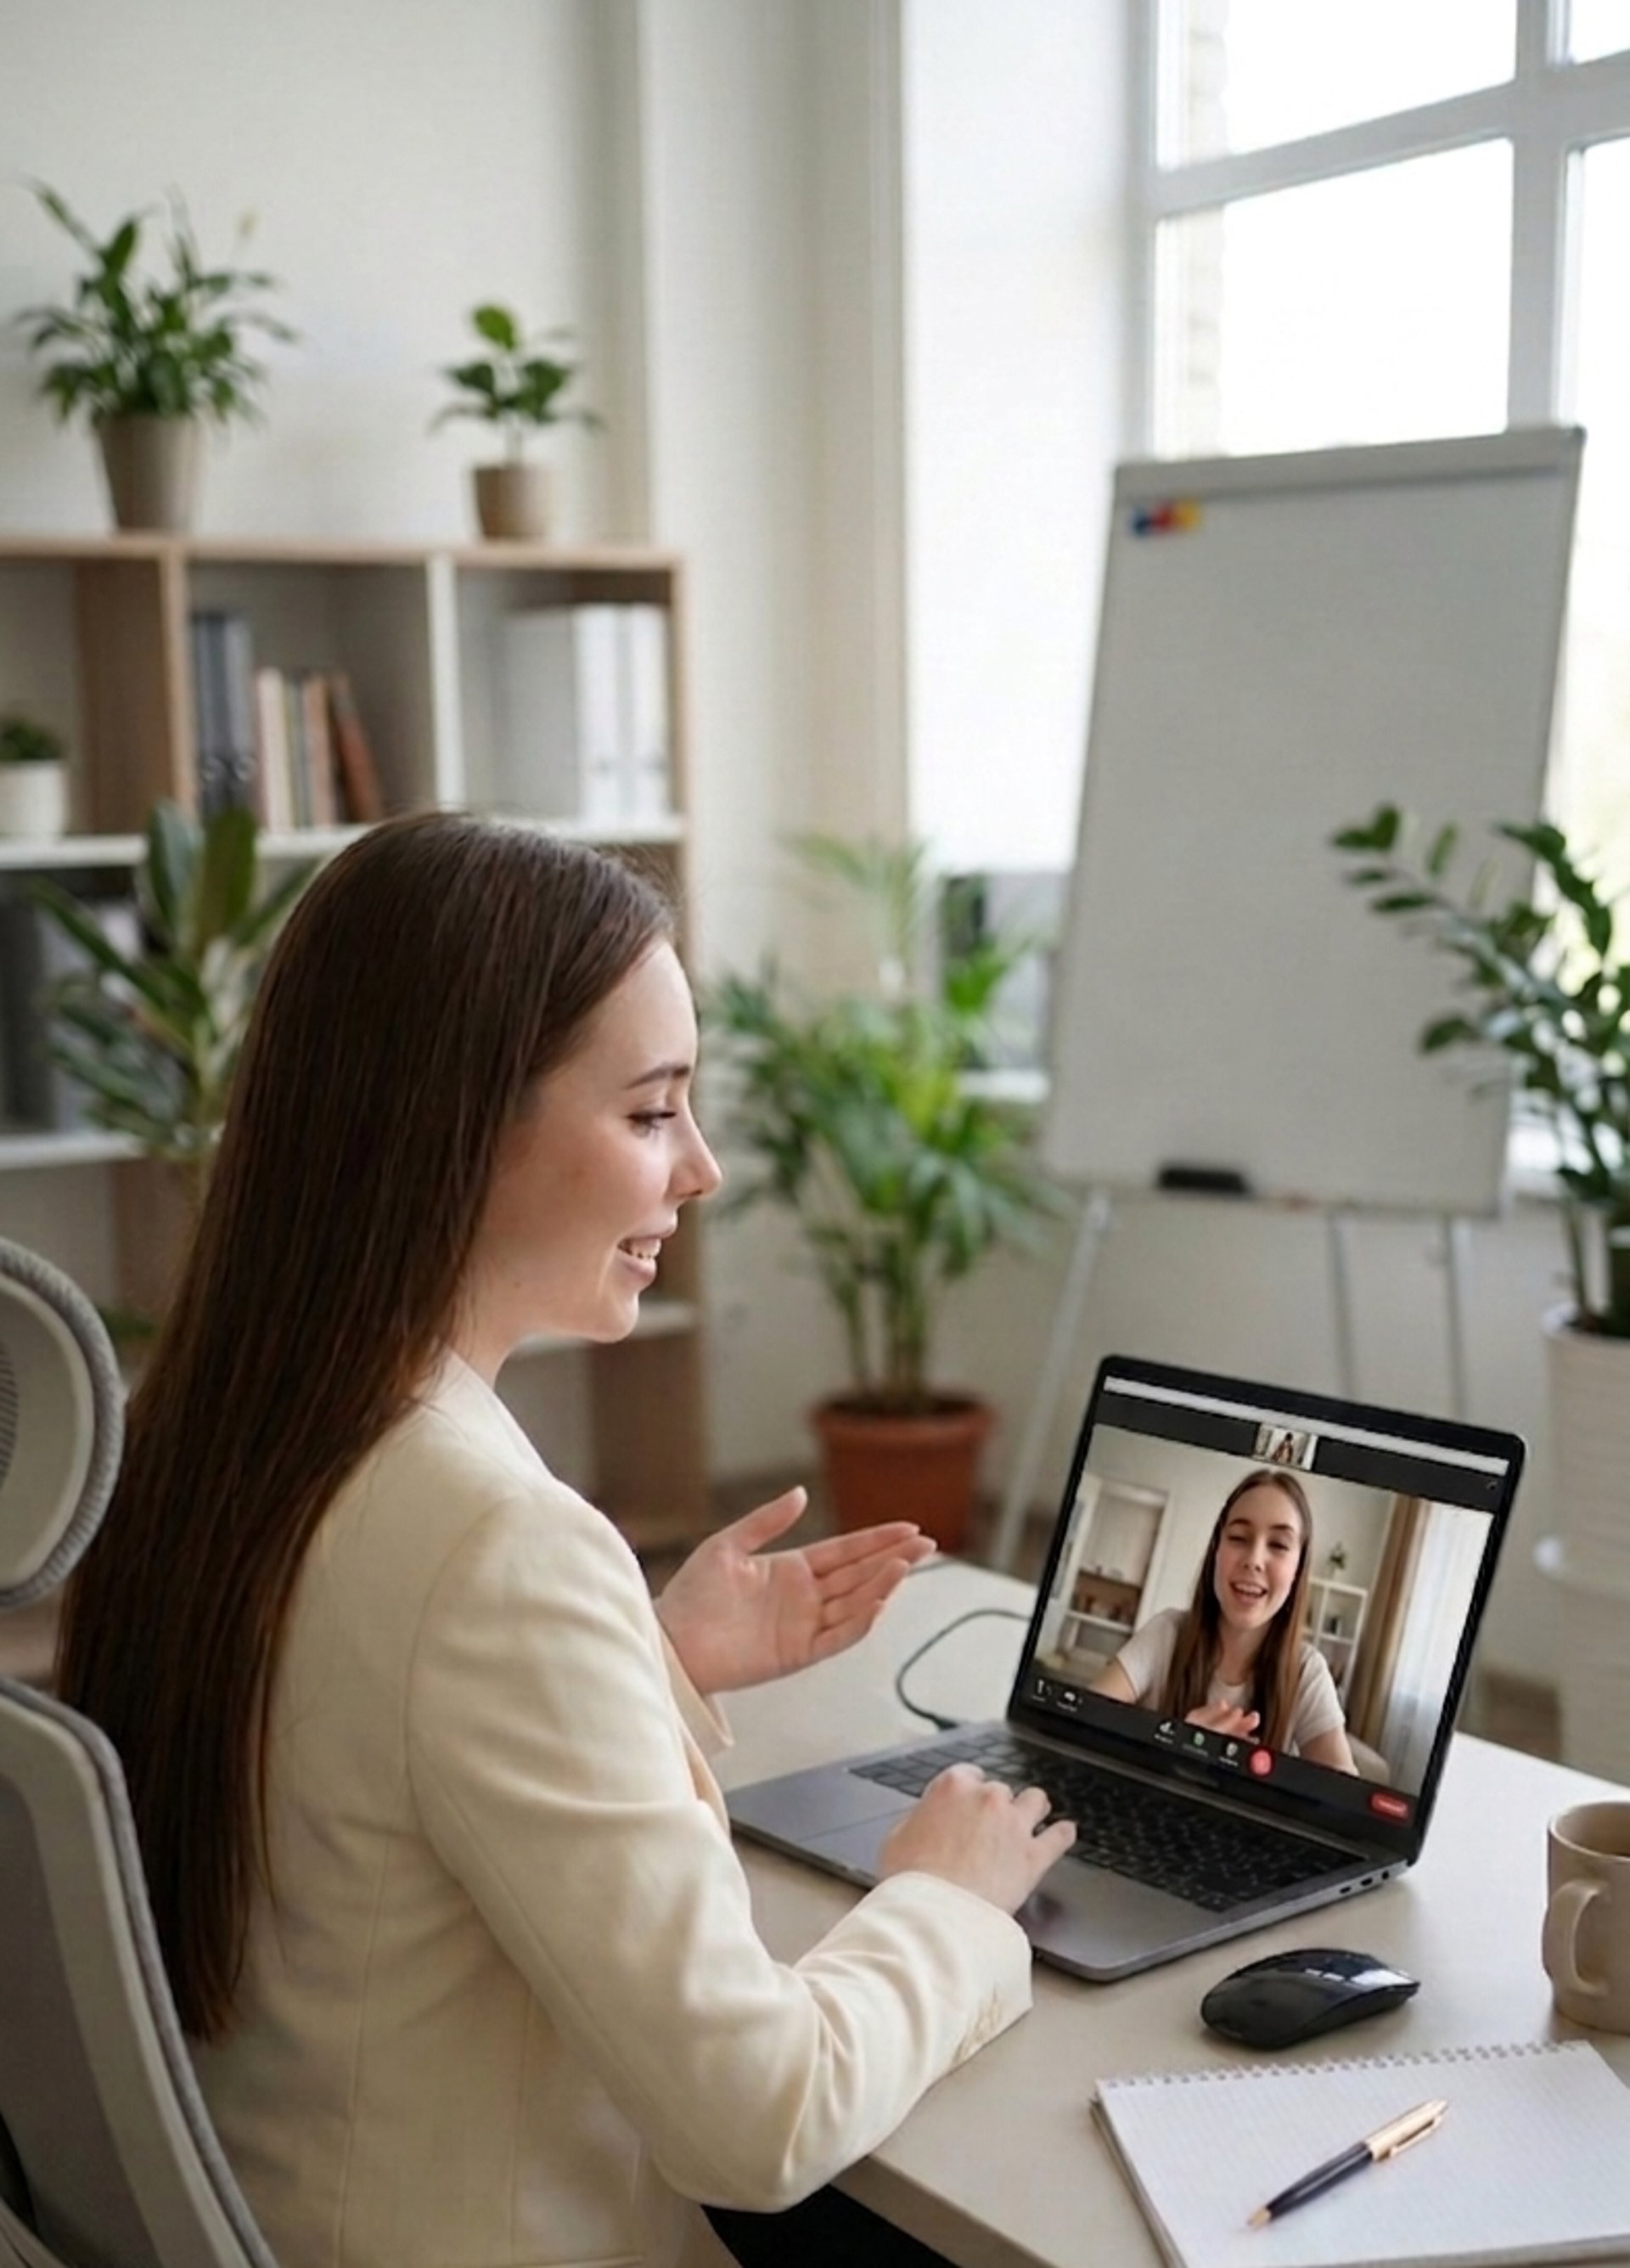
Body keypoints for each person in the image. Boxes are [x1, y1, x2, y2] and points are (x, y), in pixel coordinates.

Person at [56, 814, 1076, 2268]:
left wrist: (645, 1657)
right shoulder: (493, 1542)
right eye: (653, 1111)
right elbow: (759, 2113)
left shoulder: (212, 1436)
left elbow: (349, 1763)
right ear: (462, 1125)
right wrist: (948, 1902)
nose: (702, 1168)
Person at [1088, 1470, 1358, 1773]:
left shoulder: (1307, 1672)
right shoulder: (1167, 1633)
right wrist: (1174, 1746)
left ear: (1298, 1569)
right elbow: (1082, 1722)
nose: (1254, 1559)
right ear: (1216, 1550)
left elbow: (1343, 1798)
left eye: (1279, 1545)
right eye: (1239, 1538)